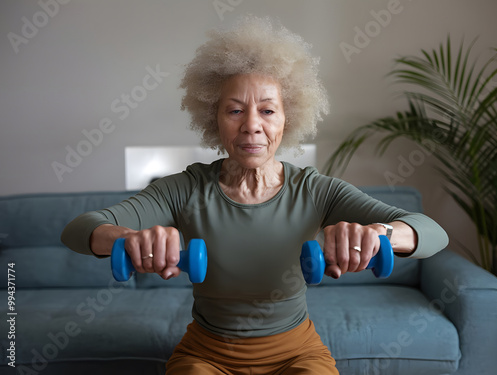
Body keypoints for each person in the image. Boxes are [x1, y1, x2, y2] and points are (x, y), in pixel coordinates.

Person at [61, 16, 449, 375]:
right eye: (234, 111)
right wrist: (129, 240)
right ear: (213, 117)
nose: (251, 126)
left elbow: (431, 233)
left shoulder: (317, 190)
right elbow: (80, 229)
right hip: (206, 354)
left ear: (288, 118)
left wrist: (380, 233)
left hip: (297, 351)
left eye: (267, 110)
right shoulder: (182, 188)